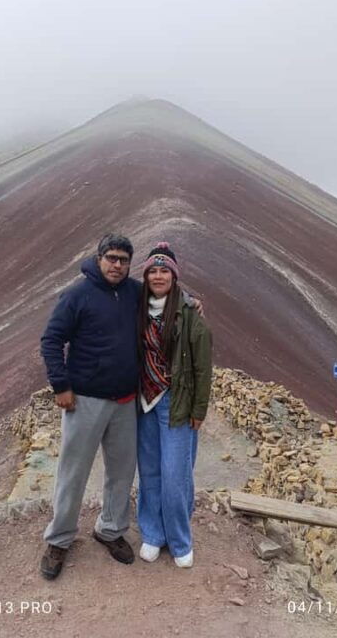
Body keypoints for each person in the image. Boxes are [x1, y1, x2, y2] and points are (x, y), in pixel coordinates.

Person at [39, 233, 141, 580]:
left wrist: (191, 301)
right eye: (111, 258)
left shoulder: (133, 292)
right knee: (73, 472)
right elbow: (51, 339)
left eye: (123, 260)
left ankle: (110, 529)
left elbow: (166, 297)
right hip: (85, 401)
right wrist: (61, 385)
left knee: (122, 471)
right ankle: (59, 539)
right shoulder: (78, 295)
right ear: (99, 258)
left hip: (126, 401)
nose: (117, 265)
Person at [136, 242, 213, 568]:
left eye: (164, 270)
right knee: (150, 472)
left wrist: (199, 409)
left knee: (175, 474)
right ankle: (153, 534)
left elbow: (202, 367)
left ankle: (180, 540)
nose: (157, 275)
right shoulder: (136, 307)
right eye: (153, 270)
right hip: (144, 401)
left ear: (174, 275)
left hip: (176, 401)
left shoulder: (190, 313)